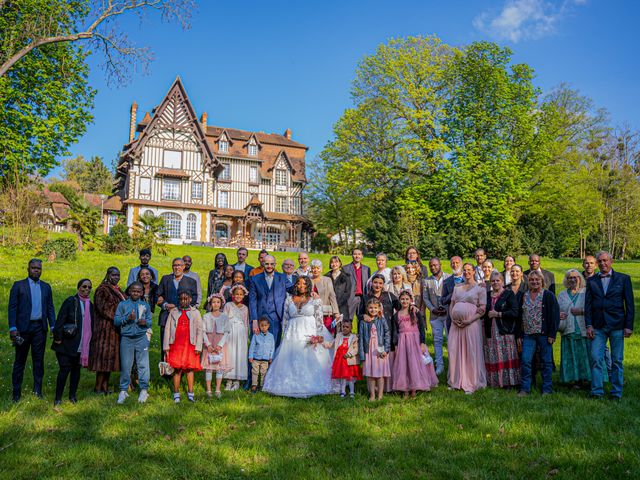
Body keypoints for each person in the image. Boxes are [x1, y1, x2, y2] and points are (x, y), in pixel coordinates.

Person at [262, 276, 336, 398]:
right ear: (295, 285)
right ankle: (289, 384)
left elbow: (319, 318)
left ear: (308, 285)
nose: (301, 286)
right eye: (299, 284)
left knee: (309, 356)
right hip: (293, 332)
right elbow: (285, 318)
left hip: (309, 330)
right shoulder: (289, 299)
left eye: (304, 284)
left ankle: (310, 383)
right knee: (290, 357)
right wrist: (284, 334)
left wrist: (319, 335)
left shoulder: (314, 299)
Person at [585, 251, 634, 400]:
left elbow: (630, 304)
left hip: (617, 325)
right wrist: (589, 325)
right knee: (595, 358)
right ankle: (597, 391)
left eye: (605, 261)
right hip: (598, 326)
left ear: (611, 261)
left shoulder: (623, 279)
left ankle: (616, 392)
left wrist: (628, 325)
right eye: (600, 261)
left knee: (617, 360)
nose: (603, 264)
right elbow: (588, 306)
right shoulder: (592, 281)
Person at [8, 258, 56, 401]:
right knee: (19, 361)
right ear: (28, 269)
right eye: (33, 268)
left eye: (39, 268)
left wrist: (53, 326)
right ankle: (16, 394)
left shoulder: (46, 287)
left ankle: (37, 391)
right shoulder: (18, 286)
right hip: (22, 329)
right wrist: (12, 327)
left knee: (38, 361)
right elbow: (12, 308)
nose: (36, 270)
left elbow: (50, 308)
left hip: (39, 329)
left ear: (41, 270)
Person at [517, 271, 560, 397]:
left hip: (544, 334)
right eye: (531, 280)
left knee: (546, 362)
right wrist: (519, 334)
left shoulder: (548, 295)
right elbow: (520, 317)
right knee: (526, 361)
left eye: (537, 280)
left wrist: (552, 334)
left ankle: (547, 389)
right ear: (528, 282)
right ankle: (525, 388)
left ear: (542, 281)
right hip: (528, 334)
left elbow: (555, 316)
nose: (534, 282)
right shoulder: (524, 296)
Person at [51, 279, 93, 405]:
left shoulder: (90, 305)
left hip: (81, 344)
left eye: (89, 287)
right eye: (84, 286)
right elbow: (60, 320)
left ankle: (72, 396)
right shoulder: (70, 301)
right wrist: (57, 338)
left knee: (76, 371)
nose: (86, 289)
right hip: (66, 344)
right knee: (64, 370)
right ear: (78, 287)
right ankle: (58, 398)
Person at [448, 263, 487, 394]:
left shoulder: (480, 288)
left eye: (469, 270)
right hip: (456, 325)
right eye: (464, 270)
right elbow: (452, 305)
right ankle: (455, 381)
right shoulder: (457, 287)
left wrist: (469, 320)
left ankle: (471, 382)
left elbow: (482, 309)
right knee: (455, 351)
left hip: (471, 324)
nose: (466, 272)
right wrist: (453, 319)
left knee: (470, 352)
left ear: (474, 271)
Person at [391, 290, 438, 397]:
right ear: (399, 300)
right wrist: (396, 345)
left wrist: (422, 343)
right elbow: (395, 331)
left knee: (415, 363)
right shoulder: (396, 315)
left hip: (415, 340)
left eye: (407, 299)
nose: (404, 301)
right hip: (403, 341)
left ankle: (414, 388)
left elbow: (421, 328)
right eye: (402, 299)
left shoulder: (415, 312)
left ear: (411, 300)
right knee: (404, 364)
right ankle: (405, 389)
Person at [164, 288, 208, 402]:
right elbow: (168, 329)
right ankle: (176, 393)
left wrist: (198, 346)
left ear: (190, 299)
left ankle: (191, 393)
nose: (183, 301)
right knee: (177, 369)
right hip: (176, 345)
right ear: (178, 299)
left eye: (186, 299)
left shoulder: (196, 313)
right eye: (181, 299)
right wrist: (166, 347)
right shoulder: (173, 312)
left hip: (190, 345)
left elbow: (200, 330)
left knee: (189, 369)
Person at [114, 282, 152, 404]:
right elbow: (116, 321)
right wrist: (127, 319)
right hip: (127, 338)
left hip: (141, 338)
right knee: (126, 365)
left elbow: (150, 322)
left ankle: (144, 390)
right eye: (133, 291)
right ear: (129, 291)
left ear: (142, 293)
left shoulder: (145, 305)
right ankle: (123, 390)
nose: (135, 293)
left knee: (143, 365)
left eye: (138, 291)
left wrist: (144, 322)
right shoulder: (123, 304)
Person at [89, 267, 126, 395]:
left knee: (109, 360)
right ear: (108, 275)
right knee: (102, 360)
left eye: (118, 275)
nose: (116, 277)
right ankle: (98, 387)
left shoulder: (118, 289)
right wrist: (119, 316)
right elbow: (103, 308)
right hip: (104, 329)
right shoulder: (102, 289)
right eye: (114, 275)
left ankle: (105, 387)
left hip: (114, 330)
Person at [483, 271, 520, 388]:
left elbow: (515, 312)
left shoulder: (508, 294)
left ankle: (509, 382)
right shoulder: (487, 295)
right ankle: (494, 381)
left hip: (505, 330)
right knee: (493, 354)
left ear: (502, 282)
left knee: (506, 355)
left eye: (497, 280)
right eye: (493, 281)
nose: (495, 283)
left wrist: (498, 314)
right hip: (490, 330)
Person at [557, 270, 592, 387]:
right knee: (571, 356)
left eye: (575, 277)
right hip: (568, 330)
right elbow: (556, 310)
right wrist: (559, 314)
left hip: (583, 329)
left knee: (584, 356)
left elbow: (593, 309)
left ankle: (586, 379)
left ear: (580, 278)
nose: (572, 280)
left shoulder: (586, 292)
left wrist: (581, 311)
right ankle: (574, 380)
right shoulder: (562, 294)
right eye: (570, 278)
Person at [157, 258, 198, 351]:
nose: (177, 267)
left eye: (179, 265)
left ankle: (180, 365)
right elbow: (158, 296)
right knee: (165, 346)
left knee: (181, 347)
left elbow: (194, 299)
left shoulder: (191, 281)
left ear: (183, 267)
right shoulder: (165, 279)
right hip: (166, 316)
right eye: (175, 265)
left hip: (184, 317)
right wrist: (165, 304)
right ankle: (165, 365)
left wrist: (178, 307)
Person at [359, 298, 391, 401]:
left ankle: (380, 395)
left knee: (380, 374)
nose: (373, 310)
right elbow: (361, 339)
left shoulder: (381, 319)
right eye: (371, 308)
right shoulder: (363, 322)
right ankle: (372, 395)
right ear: (367, 309)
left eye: (375, 308)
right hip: (369, 350)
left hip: (380, 349)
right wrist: (362, 355)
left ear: (379, 308)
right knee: (370, 374)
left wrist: (386, 349)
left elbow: (387, 333)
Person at [422, 257, 450, 376]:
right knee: (437, 340)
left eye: (435, 265)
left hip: (448, 314)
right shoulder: (426, 281)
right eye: (431, 266)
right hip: (435, 315)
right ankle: (439, 365)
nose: (433, 268)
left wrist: (447, 308)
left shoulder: (449, 278)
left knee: (450, 340)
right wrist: (432, 309)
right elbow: (425, 298)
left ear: (440, 265)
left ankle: (452, 365)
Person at [201, 294, 230, 398]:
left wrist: (220, 345)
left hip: (219, 344)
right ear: (210, 304)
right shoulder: (206, 316)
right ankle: (208, 390)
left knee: (219, 368)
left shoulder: (224, 317)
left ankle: (217, 389)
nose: (216, 304)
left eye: (218, 302)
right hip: (209, 343)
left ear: (221, 303)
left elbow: (226, 332)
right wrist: (207, 344)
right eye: (213, 302)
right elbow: (203, 331)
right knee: (209, 367)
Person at [222, 284, 250, 391]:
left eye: (240, 294)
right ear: (233, 295)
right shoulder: (228, 305)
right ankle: (229, 380)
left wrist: (247, 335)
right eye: (236, 294)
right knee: (230, 354)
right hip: (230, 332)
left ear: (243, 296)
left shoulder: (245, 308)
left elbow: (246, 322)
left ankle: (237, 380)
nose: (238, 296)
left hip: (241, 333)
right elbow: (224, 320)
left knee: (239, 355)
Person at [329, 319, 361, 398]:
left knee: (350, 377)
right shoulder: (339, 336)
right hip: (340, 360)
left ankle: (352, 391)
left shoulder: (354, 337)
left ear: (351, 328)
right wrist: (322, 342)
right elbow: (331, 344)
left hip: (349, 360)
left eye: (347, 327)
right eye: (343, 327)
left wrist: (350, 354)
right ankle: (342, 391)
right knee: (342, 376)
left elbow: (356, 349)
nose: (345, 328)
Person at [310, 259, 340, 335]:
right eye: (313, 268)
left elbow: (332, 296)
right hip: (311, 313)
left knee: (327, 335)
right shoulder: (308, 280)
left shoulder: (327, 280)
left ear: (321, 269)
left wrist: (336, 312)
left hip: (326, 314)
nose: (315, 270)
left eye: (317, 268)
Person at [248, 317, 276, 392]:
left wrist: (271, 357)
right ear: (259, 326)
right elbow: (252, 346)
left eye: (265, 325)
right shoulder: (256, 335)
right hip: (256, 358)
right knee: (255, 371)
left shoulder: (271, 336)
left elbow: (272, 348)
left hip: (265, 359)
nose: (263, 327)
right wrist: (250, 356)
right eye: (262, 326)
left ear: (268, 325)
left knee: (264, 372)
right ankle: (254, 385)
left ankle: (262, 385)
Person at [343, 248, 371, 321]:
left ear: (362, 256)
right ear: (352, 255)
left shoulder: (366, 269)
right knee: (348, 319)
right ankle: (348, 332)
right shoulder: (345, 268)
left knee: (362, 319)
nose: (357, 256)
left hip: (363, 298)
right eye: (355, 254)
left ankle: (360, 333)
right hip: (351, 297)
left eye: (359, 254)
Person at [441, 256, 464, 332]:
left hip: (467, 316)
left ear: (461, 264)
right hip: (452, 317)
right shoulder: (446, 281)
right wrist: (452, 294)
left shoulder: (468, 278)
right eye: (453, 263)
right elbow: (443, 300)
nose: (455, 265)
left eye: (457, 263)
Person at [325, 256, 352, 321]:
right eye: (332, 262)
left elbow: (347, 293)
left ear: (340, 263)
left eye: (336, 262)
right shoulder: (326, 277)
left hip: (342, 307)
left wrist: (336, 304)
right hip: (329, 307)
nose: (334, 264)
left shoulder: (346, 276)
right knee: (330, 327)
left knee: (342, 327)